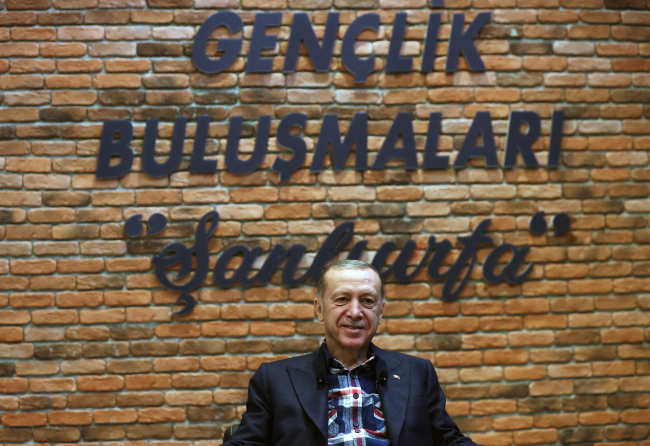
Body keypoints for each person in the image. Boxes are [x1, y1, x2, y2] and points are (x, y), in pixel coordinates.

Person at [224, 260, 482, 446]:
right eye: (342, 299)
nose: (355, 312)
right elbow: (247, 442)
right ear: (319, 309)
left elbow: (448, 439)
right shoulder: (275, 379)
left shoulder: (417, 372)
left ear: (380, 312)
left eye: (368, 301)